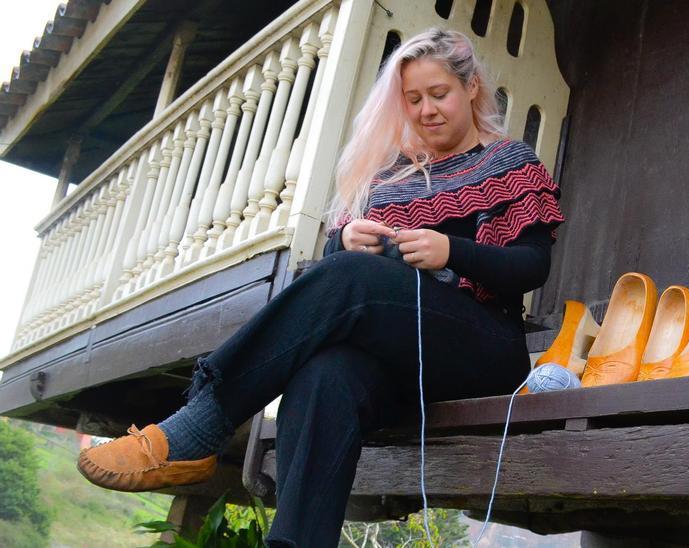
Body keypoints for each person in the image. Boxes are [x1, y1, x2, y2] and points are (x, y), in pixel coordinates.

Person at [76, 28, 564, 547]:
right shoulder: (394, 178)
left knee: (353, 282)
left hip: (483, 353)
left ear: (471, 89)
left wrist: (453, 252)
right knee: (325, 373)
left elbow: (533, 266)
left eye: (438, 94)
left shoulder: (511, 162)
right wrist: (345, 242)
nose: (426, 110)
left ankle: (199, 427)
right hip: (404, 368)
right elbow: (339, 274)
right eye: (413, 99)